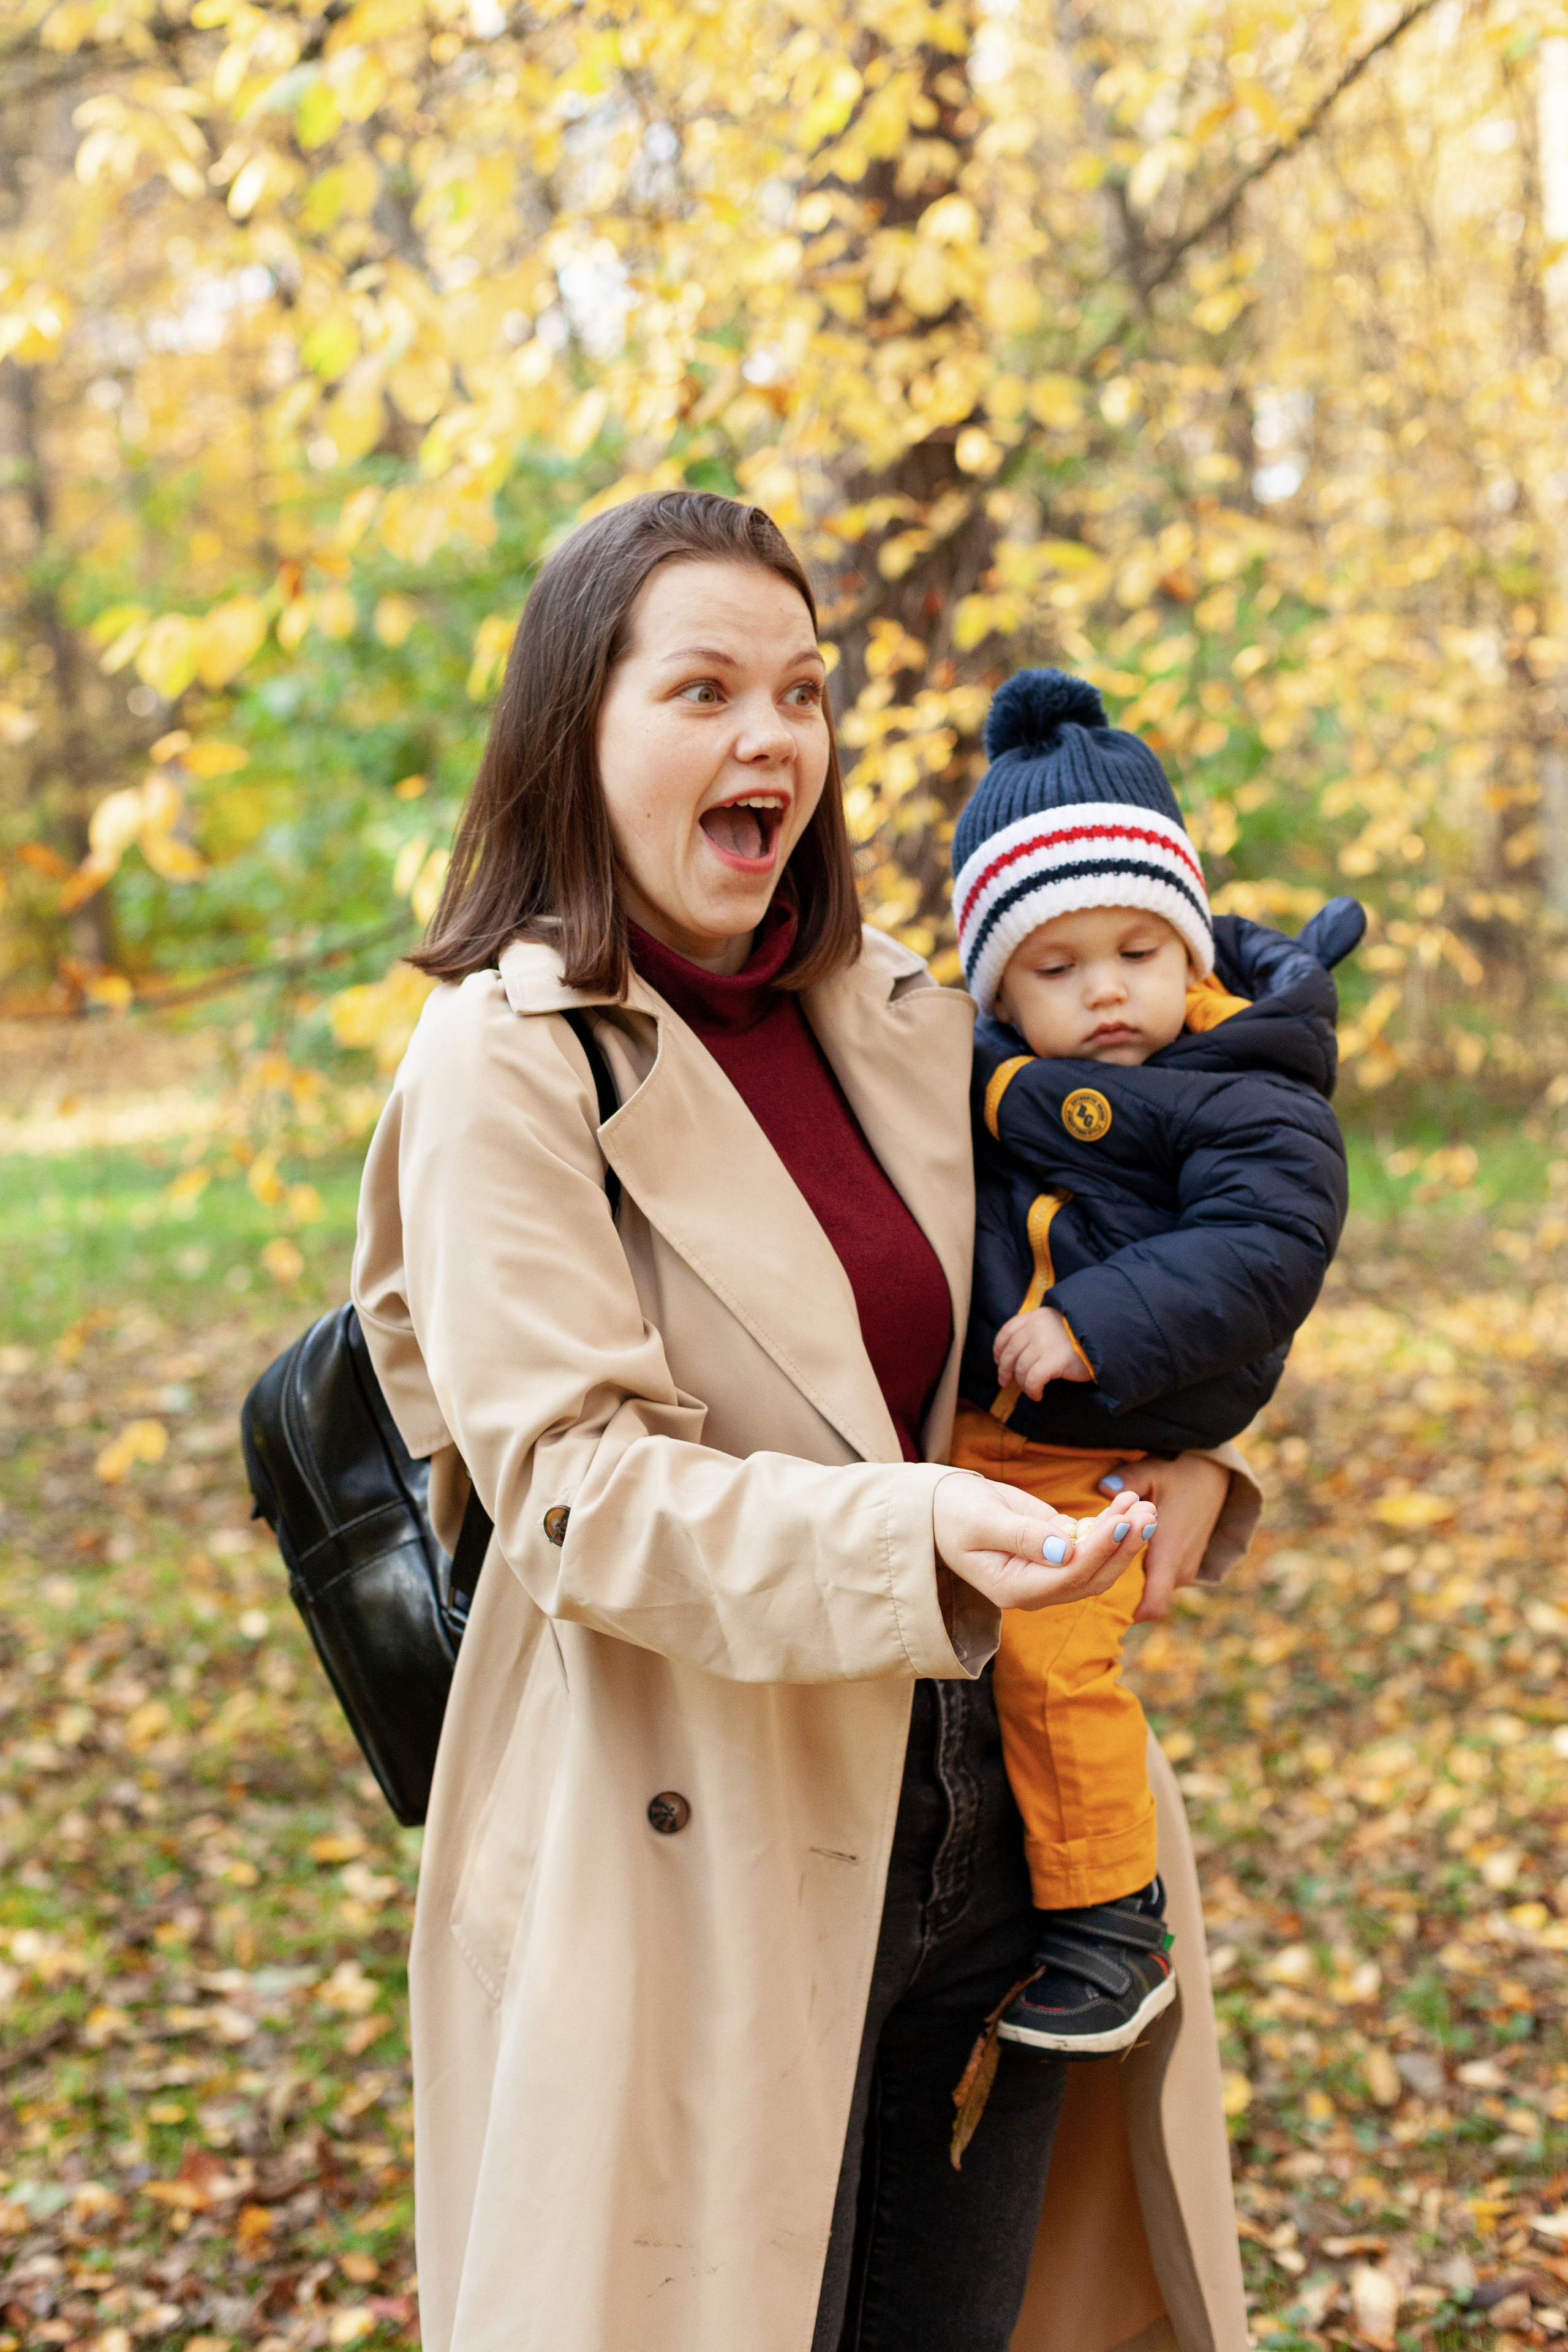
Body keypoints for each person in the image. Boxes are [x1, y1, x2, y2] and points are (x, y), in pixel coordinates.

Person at [352, 491, 1261, 2352]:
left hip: (1005, 1835)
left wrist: (1185, 1461)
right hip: (698, 1850)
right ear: (575, 734)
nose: (772, 738)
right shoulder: (504, 1066)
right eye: (703, 690)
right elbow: (580, 1501)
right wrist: (912, 1530)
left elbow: (1103, 1278)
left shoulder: (915, 1019)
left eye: (802, 693)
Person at [947, 667, 1358, 2062]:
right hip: (987, 1435)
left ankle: (1109, 1920)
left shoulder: (1241, 1086)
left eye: (1135, 951)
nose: (1103, 993)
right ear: (996, 984)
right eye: (1053, 969)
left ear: (1187, 950)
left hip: (1094, 1432)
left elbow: (1263, 1243)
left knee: (1057, 1659)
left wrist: (1094, 1323)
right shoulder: (979, 1073)